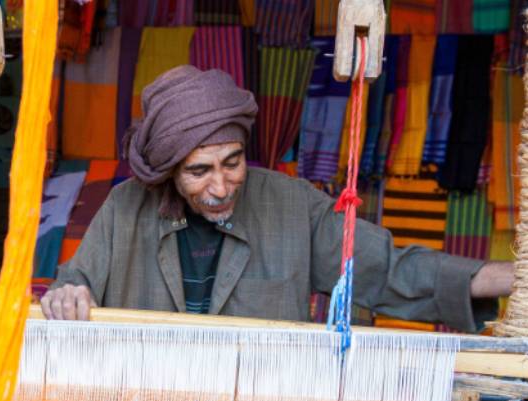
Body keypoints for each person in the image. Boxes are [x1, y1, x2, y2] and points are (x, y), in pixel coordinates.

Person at [41, 66, 512, 332]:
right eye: (199, 171)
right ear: (168, 172)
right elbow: (76, 281)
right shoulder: (126, 207)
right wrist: (66, 295)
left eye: (233, 162)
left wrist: (507, 277)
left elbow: (385, 270)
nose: (221, 187)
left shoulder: (292, 204)